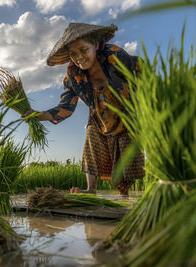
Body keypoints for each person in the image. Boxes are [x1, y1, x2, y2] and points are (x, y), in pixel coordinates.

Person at [23, 23, 145, 195]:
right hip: (99, 117)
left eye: (83, 49)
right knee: (91, 139)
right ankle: (90, 189)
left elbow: (138, 68)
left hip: (125, 116)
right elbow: (66, 107)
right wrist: (38, 115)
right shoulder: (74, 76)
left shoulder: (114, 56)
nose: (79, 57)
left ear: (95, 45)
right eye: (73, 54)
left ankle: (124, 195)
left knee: (123, 174)